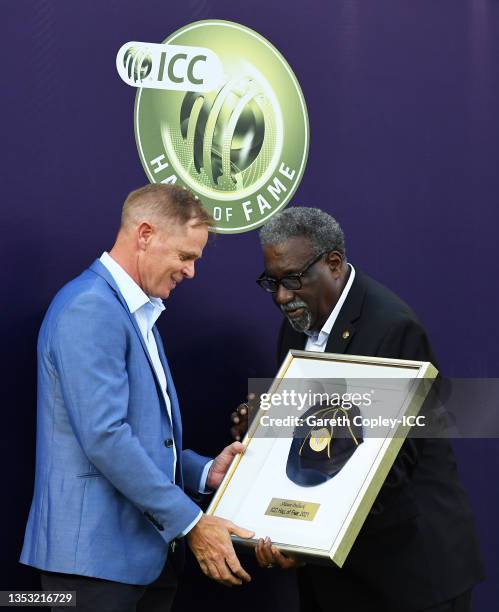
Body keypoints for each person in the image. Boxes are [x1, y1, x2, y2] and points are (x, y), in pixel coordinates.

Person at [233, 207, 484, 612]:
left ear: (333, 264)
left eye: (293, 280)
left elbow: (392, 465)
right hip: (335, 580)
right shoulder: (296, 324)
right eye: (272, 283)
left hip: (406, 578)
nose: (281, 297)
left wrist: (309, 540)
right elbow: (317, 430)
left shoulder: (393, 329)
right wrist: (267, 427)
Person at [20, 184, 253, 612]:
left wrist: (203, 475)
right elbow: (106, 437)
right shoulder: (89, 309)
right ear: (145, 234)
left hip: (141, 562)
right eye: (185, 256)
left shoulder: (135, 311)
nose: (191, 272)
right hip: (91, 568)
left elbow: (144, 437)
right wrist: (192, 523)